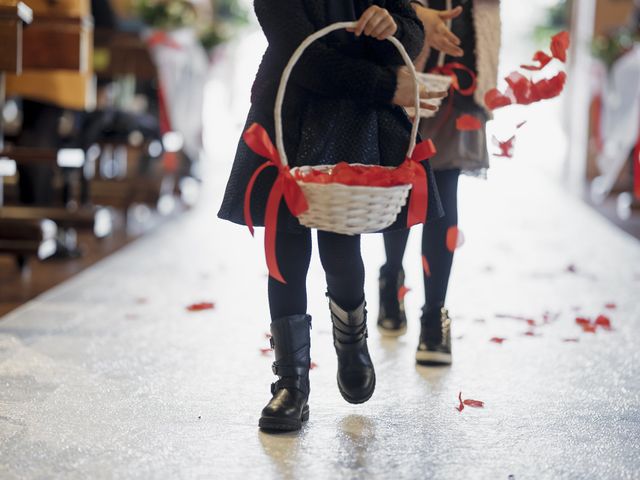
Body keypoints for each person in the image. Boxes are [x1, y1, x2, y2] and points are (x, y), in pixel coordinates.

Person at [218, 0, 445, 431]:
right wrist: (384, 86)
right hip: (288, 114)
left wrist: (392, 26)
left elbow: (411, 33)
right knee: (285, 255)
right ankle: (292, 382)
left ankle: (351, 341)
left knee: (341, 251)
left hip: (351, 123)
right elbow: (302, 54)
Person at [377, 0, 501, 366]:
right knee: (400, 178)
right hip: (405, 53)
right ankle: (391, 278)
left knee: (444, 187)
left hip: (465, 65)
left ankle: (433, 315)